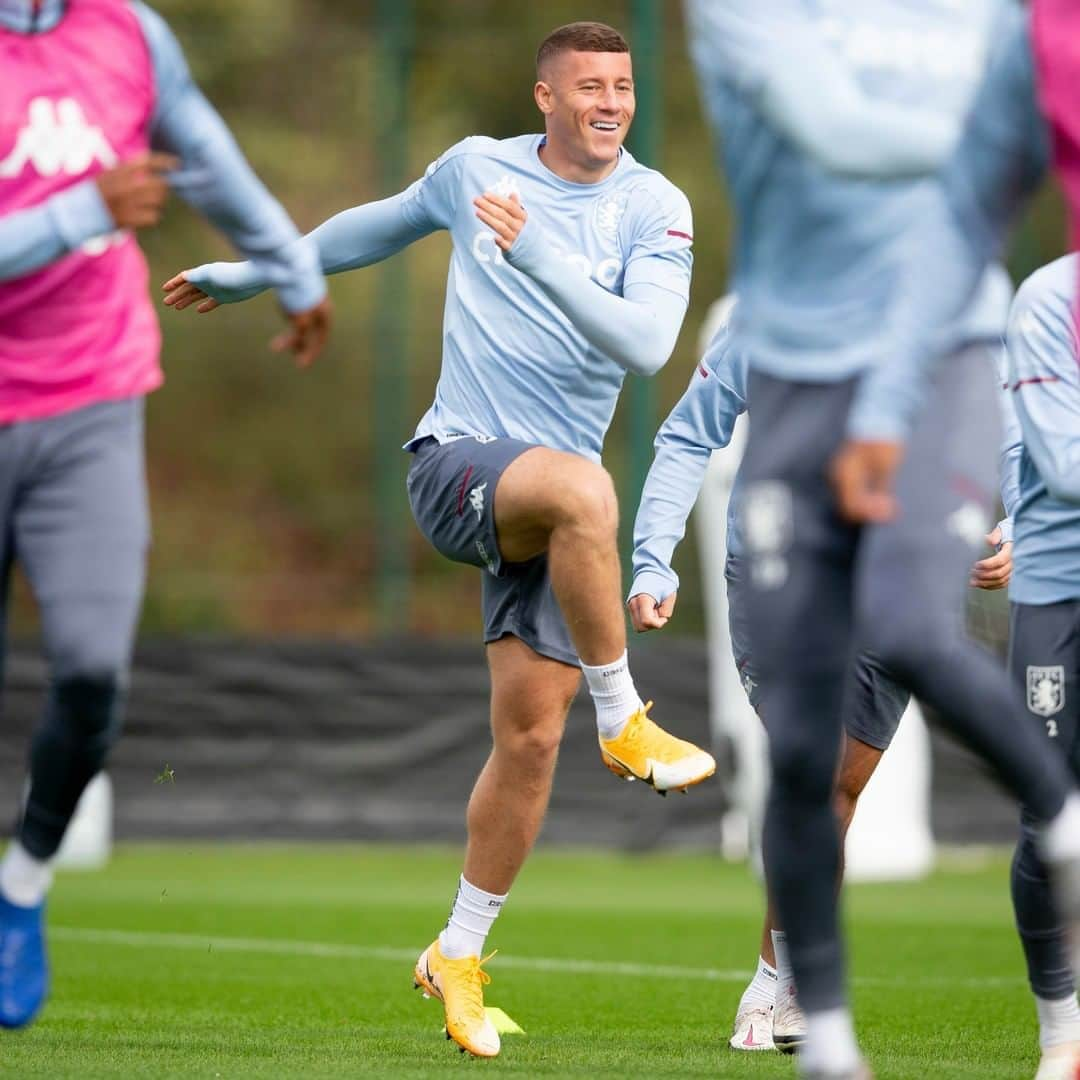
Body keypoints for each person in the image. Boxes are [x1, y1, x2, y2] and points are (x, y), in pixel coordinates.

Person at [162, 20, 715, 1059]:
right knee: (588, 488)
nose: (610, 103)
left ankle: (457, 951)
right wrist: (255, 275)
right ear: (544, 96)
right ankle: (626, 714)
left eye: (624, 88)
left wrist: (538, 249)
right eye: (589, 86)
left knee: (529, 737)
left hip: (556, 522)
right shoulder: (476, 170)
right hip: (458, 464)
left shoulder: (655, 206)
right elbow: (377, 225)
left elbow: (646, 345)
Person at [683, 3, 1080, 1077]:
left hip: (944, 345)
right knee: (803, 753)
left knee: (907, 624)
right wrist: (1008, 147)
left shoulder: (998, 17)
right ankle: (823, 1032)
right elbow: (834, 129)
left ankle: (1060, 812)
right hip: (802, 365)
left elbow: (964, 219)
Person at [0, 0, 332, 1029]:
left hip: (91, 402)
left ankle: (21, 887)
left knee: (95, 671)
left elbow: (206, 153)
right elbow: (92, 208)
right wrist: (77, 215)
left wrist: (292, 262)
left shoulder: (128, 32)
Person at [628, 297, 1013, 1055]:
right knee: (814, 764)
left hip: (901, 577)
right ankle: (796, 980)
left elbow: (1011, 429)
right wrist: (652, 553)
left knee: (839, 786)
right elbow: (685, 433)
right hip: (780, 572)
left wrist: (1012, 530)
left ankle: (775, 976)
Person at [1000, 254, 1080, 1080]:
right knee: (1049, 820)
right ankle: (1062, 1030)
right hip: (1058, 591)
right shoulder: (1048, 298)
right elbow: (1062, 465)